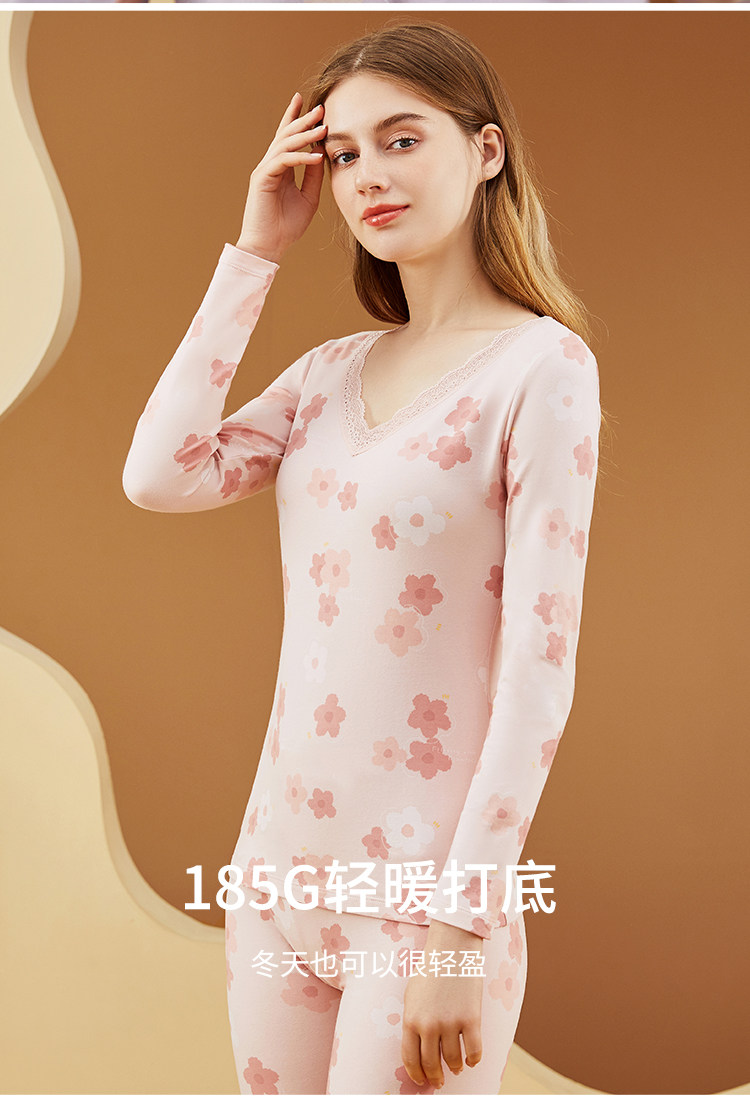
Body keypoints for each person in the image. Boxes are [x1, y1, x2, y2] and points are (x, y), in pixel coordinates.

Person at [122, 21, 603, 1095]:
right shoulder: (325, 375)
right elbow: (158, 475)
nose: (367, 176)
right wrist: (256, 252)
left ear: (485, 150)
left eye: (402, 140)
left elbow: (539, 671)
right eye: (343, 154)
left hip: (425, 902)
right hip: (277, 878)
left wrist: (462, 927)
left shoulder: (543, 369)